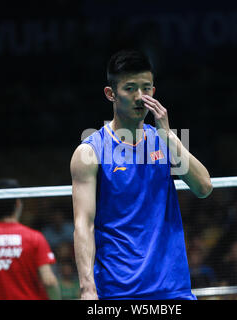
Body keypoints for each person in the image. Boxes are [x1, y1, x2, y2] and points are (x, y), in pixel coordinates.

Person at [71, 50, 213, 300]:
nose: (140, 97)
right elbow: (84, 224)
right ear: (110, 93)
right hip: (118, 290)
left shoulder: (164, 140)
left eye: (146, 88)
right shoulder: (89, 152)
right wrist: (87, 287)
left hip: (171, 287)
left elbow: (203, 187)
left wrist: (168, 135)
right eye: (130, 88)